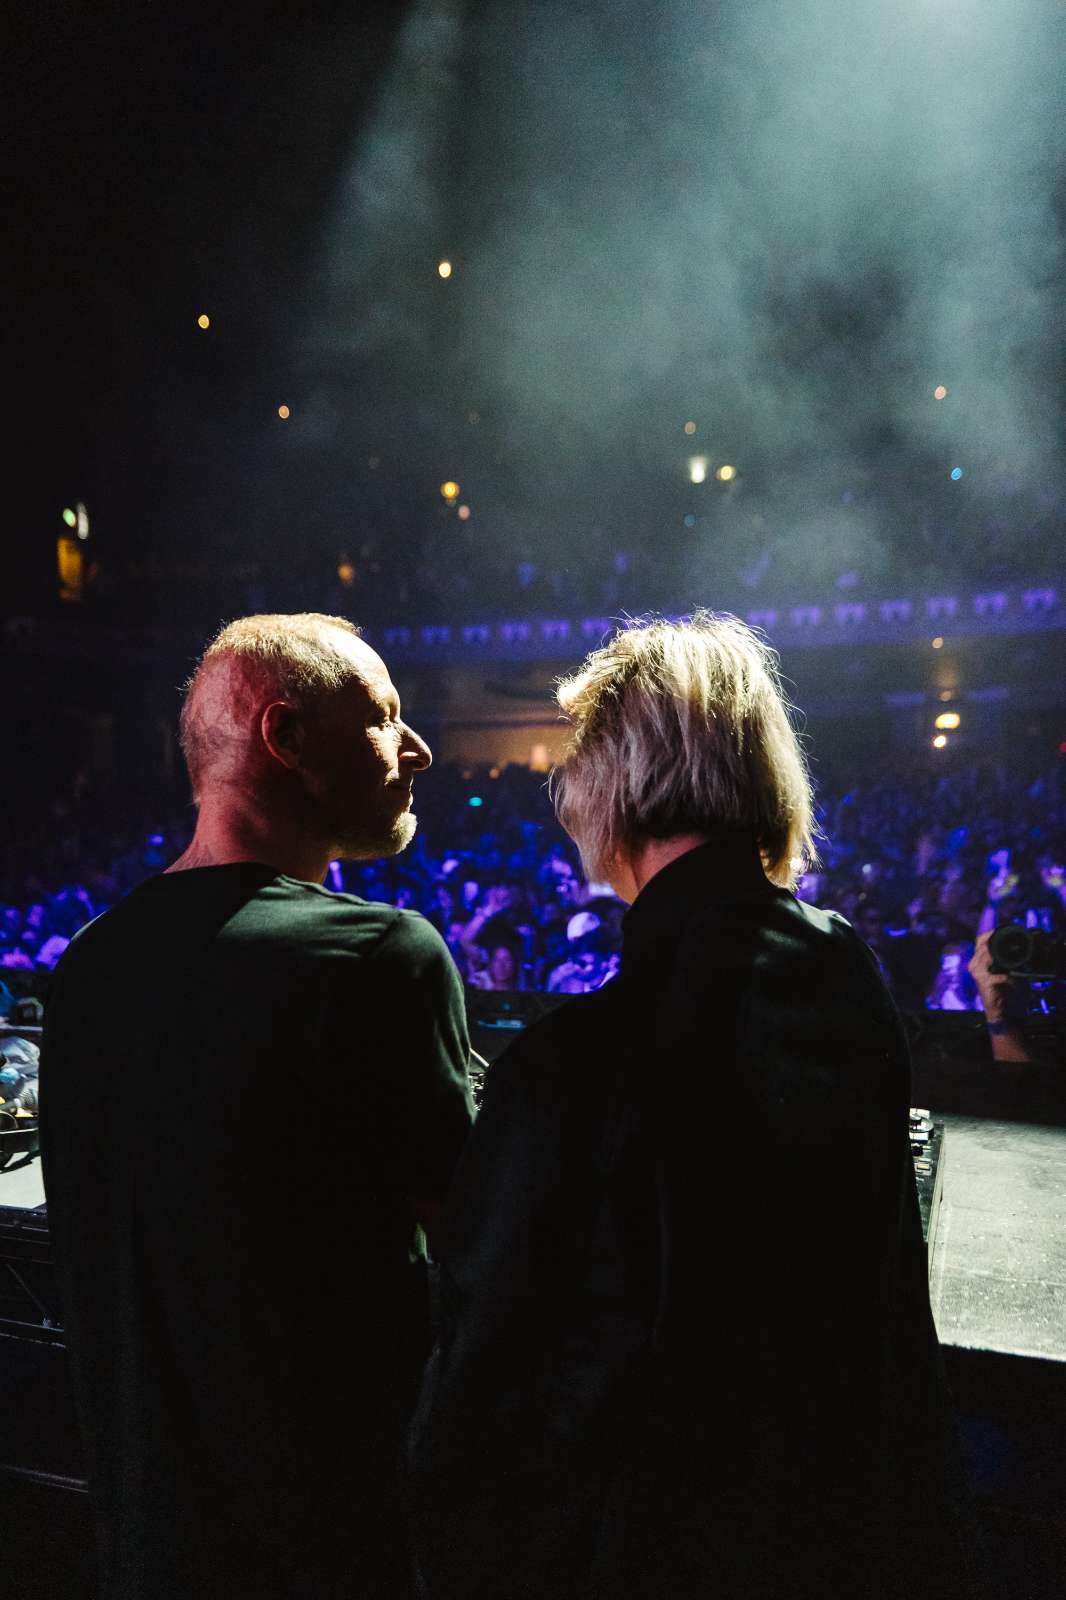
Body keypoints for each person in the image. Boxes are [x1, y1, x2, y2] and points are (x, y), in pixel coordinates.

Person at [409, 613, 980, 1600]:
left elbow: (493, 1375)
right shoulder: (844, 972)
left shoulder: (574, 1064)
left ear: (613, 783)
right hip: (842, 1532)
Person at [40, 613, 475, 1600]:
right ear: (286, 738)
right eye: (384, 717)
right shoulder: (377, 957)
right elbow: (483, 1246)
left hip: (144, 1549)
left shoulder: (89, 967)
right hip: (327, 1547)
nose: (419, 747)